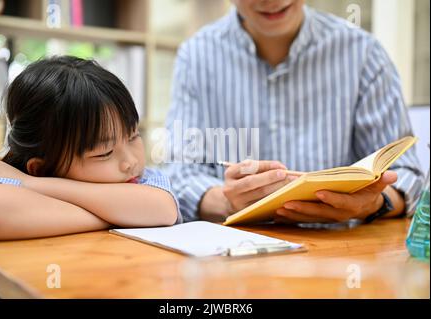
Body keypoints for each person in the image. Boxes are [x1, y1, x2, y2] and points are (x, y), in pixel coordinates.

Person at [164, 0, 424, 224]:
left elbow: (406, 174)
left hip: (341, 257)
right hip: (234, 258)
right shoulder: (196, 56)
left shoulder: (363, 53)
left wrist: (374, 204)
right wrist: (225, 201)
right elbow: (180, 172)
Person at [0, 56, 181, 240]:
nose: (131, 162)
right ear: (42, 169)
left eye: (133, 136)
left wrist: (30, 184)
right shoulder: (4, 179)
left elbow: (163, 209)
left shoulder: (140, 179)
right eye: (104, 153)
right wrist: (121, 215)